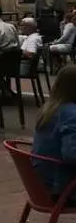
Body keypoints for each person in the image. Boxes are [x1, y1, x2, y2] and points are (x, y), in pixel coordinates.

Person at [32, 66, 76, 205]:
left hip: (41, 185)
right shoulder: (71, 113)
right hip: (63, 189)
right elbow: (72, 155)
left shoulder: (49, 109)